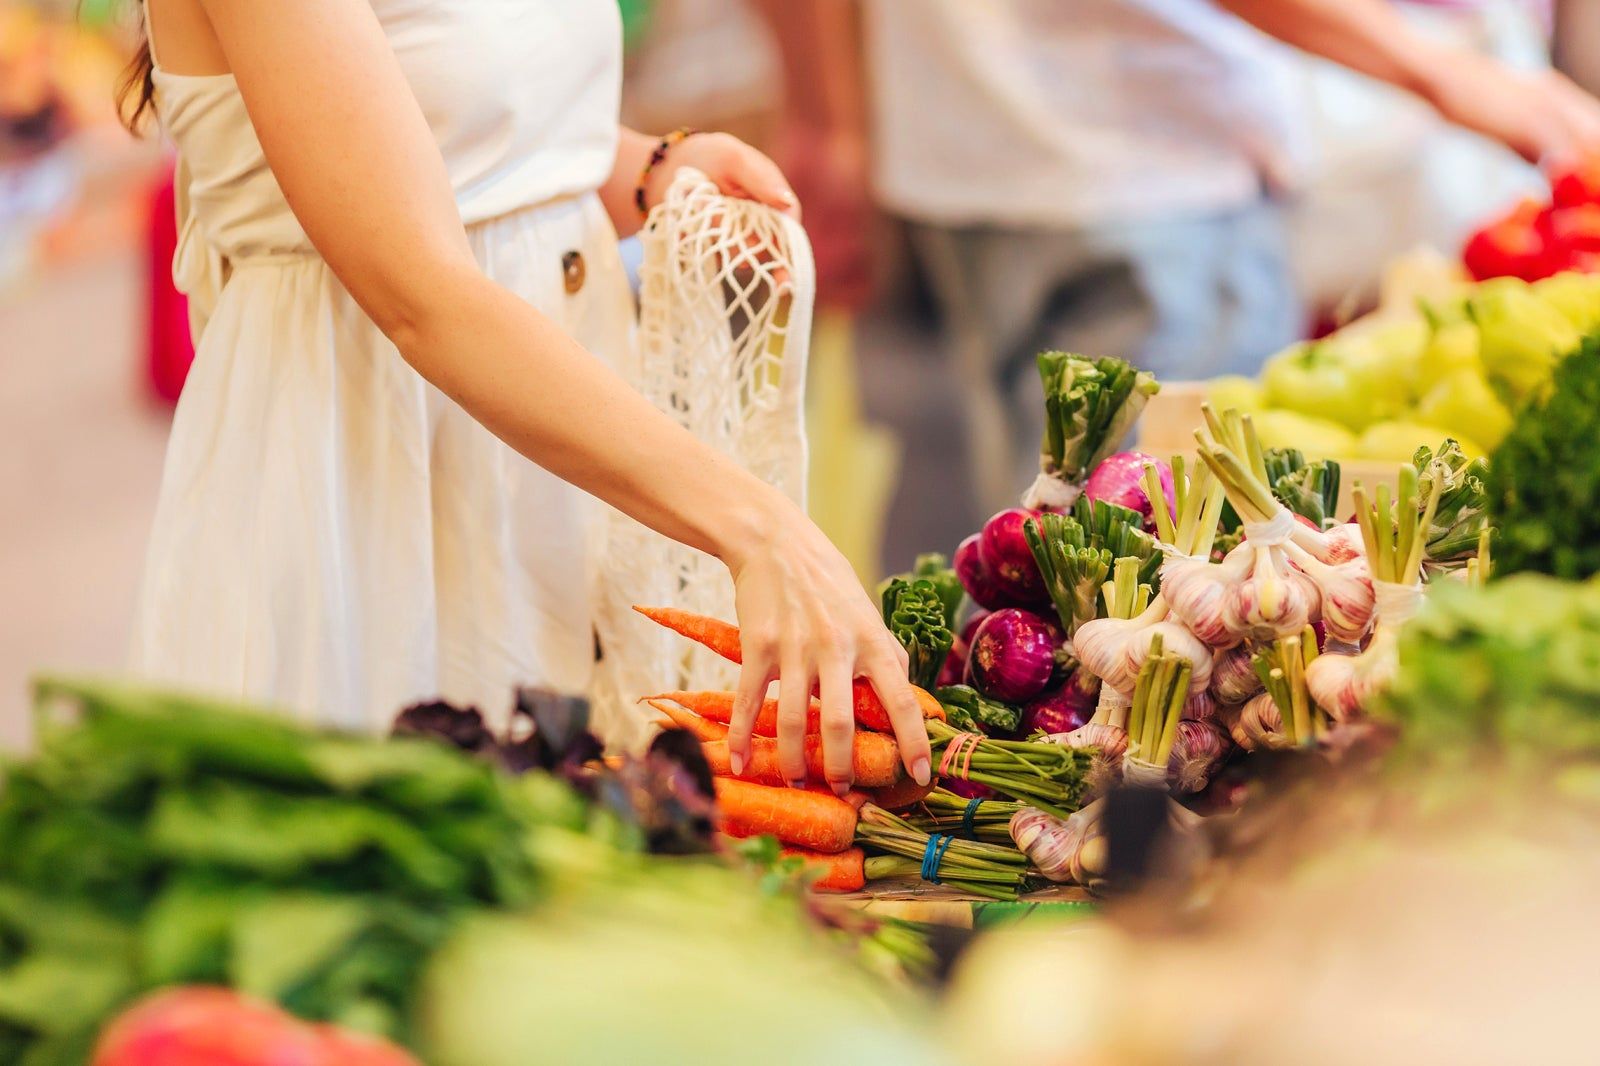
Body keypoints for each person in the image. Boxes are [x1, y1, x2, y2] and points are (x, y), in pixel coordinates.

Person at [123, 0, 933, 795]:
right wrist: (759, 529)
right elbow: (423, 296)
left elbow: (472, 122)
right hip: (369, 485)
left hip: (555, 470)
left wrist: (646, 169)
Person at [784, 0, 1600, 517]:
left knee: (1037, 562)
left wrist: (829, 118)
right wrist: (1441, 71)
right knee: (1158, 589)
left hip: (951, 153)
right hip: (1149, 168)